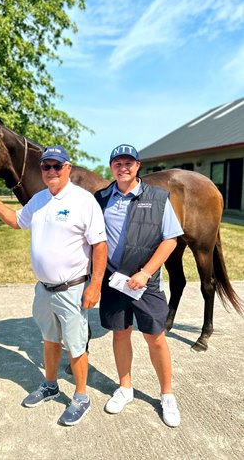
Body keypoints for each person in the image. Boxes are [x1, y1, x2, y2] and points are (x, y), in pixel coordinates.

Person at [0, 145, 107, 426]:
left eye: (58, 166)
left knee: (76, 344)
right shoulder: (38, 200)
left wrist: (96, 285)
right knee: (49, 338)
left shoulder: (84, 201)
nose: (51, 171)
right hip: (43, 289)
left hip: (72, 288)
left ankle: (81, 397)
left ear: (68, 168)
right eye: (46, 166)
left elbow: (100, 245)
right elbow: (16, 221)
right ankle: (50, 384)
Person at [94, 144, 183, 428]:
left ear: (138, 166)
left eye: (128, 163)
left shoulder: (157, 198)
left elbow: (170, 239)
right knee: (120, 334)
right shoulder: (101, 198)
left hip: (145, 281)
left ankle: (167, 394)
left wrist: (146, 272)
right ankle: (125, 387)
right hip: (113, 280)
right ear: (111, 168)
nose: (123, 167)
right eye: (117, 163)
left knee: (155, 337)